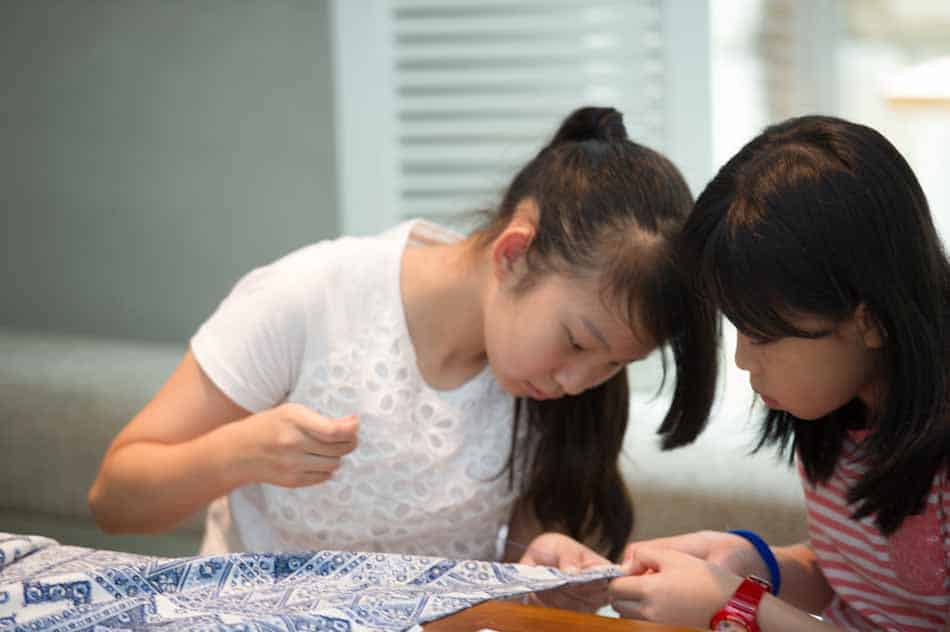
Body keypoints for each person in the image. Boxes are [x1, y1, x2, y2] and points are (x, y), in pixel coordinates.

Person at [87, 106, 719, 564]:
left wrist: (546, 569)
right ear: (514, 253)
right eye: (578, 343)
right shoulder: (308, 296)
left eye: (614, 364)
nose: (578, 381)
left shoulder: (559, 393)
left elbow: (518, 568)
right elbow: (114, 500)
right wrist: (238, 454)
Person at [521, 115, 950, 630]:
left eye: (764, 334)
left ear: (870, 320)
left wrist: (740, 607)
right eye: (738, 327)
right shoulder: (841, 414)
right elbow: (860, 583)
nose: (744, 360)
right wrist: (754, 563)